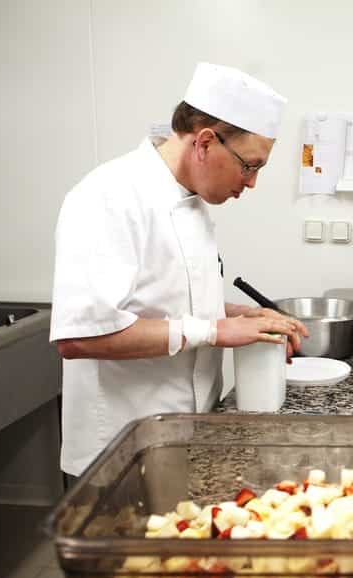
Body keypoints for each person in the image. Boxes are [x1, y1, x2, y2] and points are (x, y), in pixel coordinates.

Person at [50, 63, 308, 478]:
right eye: (250, 165)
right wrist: (215, 331)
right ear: (205, 142)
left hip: (191, 432)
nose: (252, 182)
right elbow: (80, 335)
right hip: (122, 449)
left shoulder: (190, 198)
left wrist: (244, 317)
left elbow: (166, 299)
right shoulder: (108, 197)